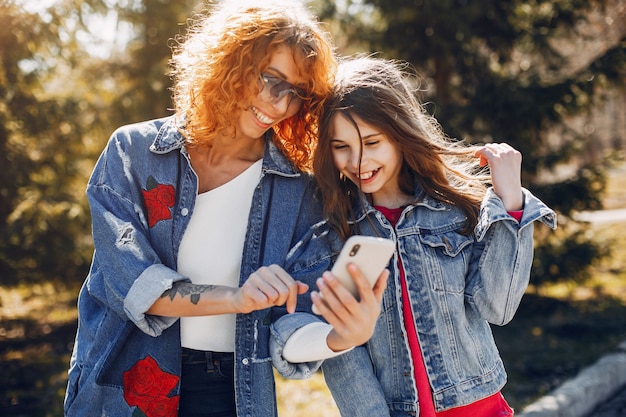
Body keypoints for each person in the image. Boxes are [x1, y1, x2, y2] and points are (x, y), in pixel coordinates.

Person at [61, 2, 381, 416]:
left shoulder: (299, 190)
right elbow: (134, 282)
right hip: (120, 383)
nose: (281, 105)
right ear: (232, 62)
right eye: (272, 80)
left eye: (297, 93)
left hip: (231, 392)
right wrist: (238, 297)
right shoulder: (132, 153)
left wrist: (339, 336)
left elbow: (294, 319)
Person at [272, 56, 557, 416]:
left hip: (482, 407)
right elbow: (323, 348)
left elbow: (497, 308)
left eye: (372, 142)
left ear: (400, 133)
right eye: (341, 146)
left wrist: (511, 204)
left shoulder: (455, 211)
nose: (358, 161)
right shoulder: (332, 233)